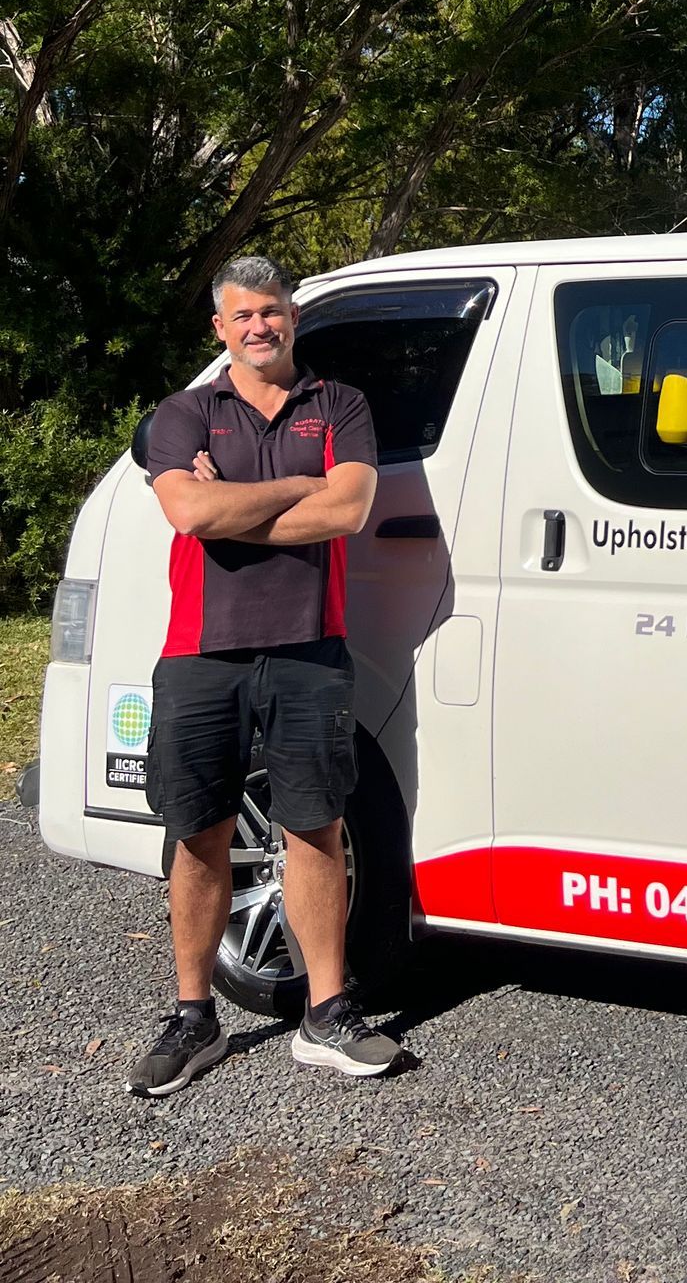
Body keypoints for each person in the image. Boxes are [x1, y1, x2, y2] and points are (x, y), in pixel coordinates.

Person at [127, 253, 404, 1094]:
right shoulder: (184, 412)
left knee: (314, 828)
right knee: (201, 833)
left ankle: (325, 1015)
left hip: (309, 649)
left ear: (293, 316)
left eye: (273, 310)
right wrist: (295, 488)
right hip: (199, 655)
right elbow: (188, 510)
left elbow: (348, 508)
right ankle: (194, 1017)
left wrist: (237, 504)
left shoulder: (342, 405)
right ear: (220, 328)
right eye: (242, 315)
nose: (259, 325)